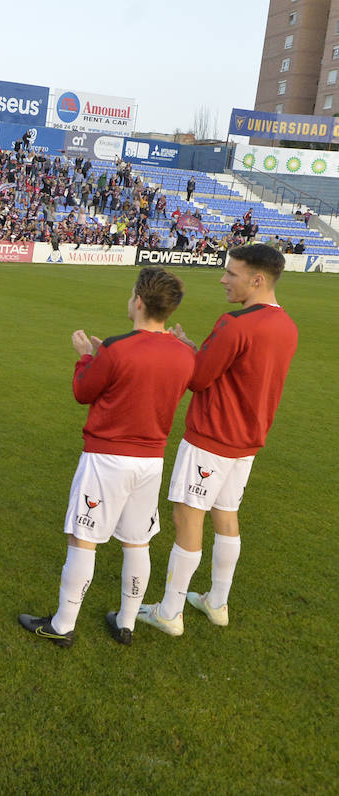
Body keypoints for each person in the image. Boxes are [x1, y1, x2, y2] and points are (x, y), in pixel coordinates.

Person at [17, 268, 194, 647]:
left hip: (107, 457)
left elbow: (84, 390)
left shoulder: (118, 348)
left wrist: (86, 357)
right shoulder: (183, 354)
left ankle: (63, 625)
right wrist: (104, 358)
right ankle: (126, 622)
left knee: (83, 538)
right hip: (151, 461)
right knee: (137, 541)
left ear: (139, 302)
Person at [137, 244, 298, 636]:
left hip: (212, 436)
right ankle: (217, 601)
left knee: (187, 517)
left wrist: (181, 349)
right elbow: (233, 371)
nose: (224, 279)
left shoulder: (236, 323)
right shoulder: (287, 326)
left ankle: (170, 611)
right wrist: (194, 348)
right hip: (248, 440)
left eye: (232, 273)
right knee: (226, 516)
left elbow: (199, 378)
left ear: (257, 279)